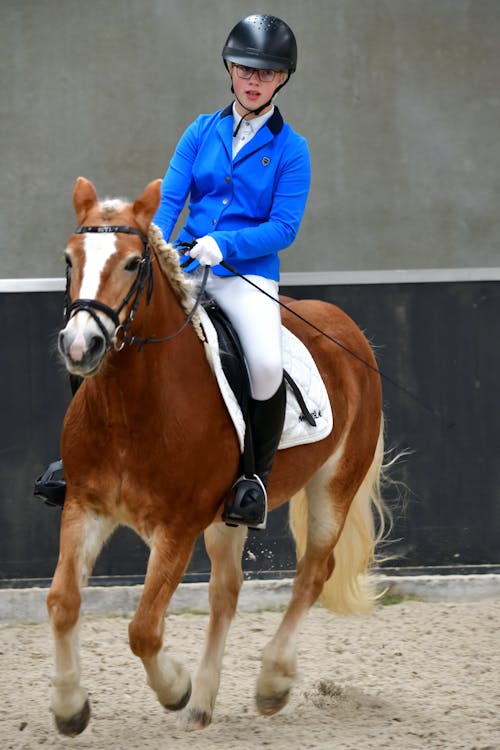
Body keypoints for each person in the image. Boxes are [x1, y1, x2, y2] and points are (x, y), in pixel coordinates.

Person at [154, 14, 311, 529]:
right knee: (114, 324)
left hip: (247, 276)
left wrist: (227, 243)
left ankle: (253, 480)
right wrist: (157, 253)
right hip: (185, 265)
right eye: (244, 68)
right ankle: (81, 460)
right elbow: (169, 202)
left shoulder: (293, 150)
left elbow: (285, 228)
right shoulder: (200, 131)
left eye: (264, 73)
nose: (252, 79)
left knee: (265, 365)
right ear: (229, 67)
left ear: (281, 78)